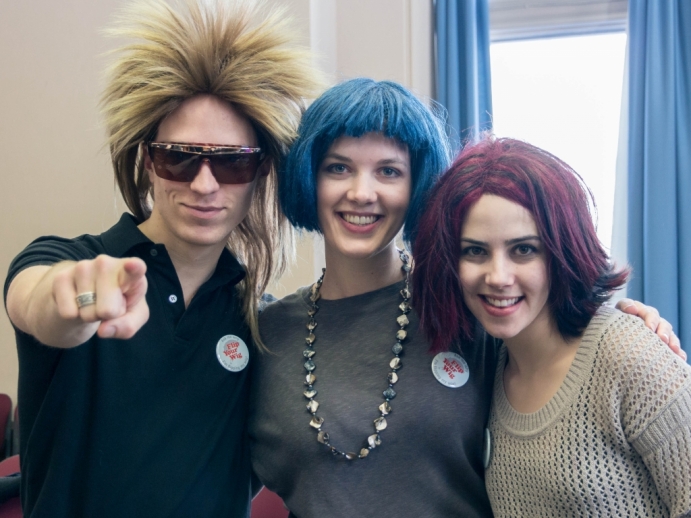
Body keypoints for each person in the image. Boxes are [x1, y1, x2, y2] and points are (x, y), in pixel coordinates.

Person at [247, 79, 679, 518]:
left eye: (389, 171)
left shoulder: (470, 304)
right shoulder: (266, 332)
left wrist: (623, 323)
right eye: (338, 167)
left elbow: (564, 343)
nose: (362, 192)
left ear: (418, 186)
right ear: (308, 175)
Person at [3, 0, 320, 516]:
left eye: (231, 163)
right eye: (179, 156)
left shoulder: (262, 323)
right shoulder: (71, 261)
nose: (204, 183)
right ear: (148, 160)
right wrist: (74, 300)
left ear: (260, 172)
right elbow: (38, 301)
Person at [413, 137, 691, 517]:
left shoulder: (628, 353)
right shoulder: (485, 363)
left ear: (563, 251)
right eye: (475, 250)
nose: (498, 277)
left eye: (523, 249)